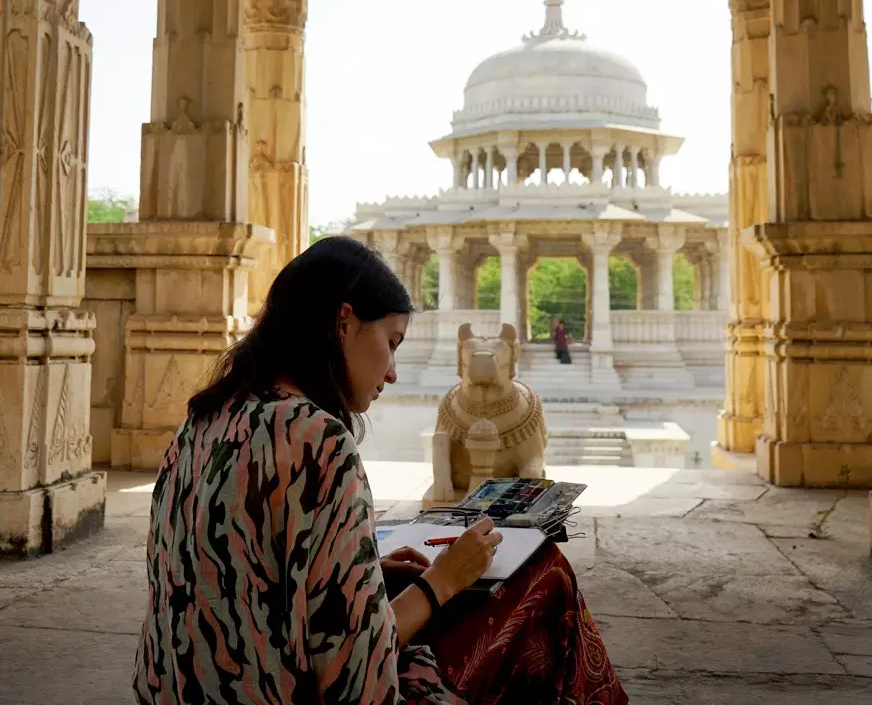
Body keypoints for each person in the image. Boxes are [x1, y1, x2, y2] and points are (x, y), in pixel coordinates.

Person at [134, 236, 627, 705]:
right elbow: (355, 681)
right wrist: (443, 581)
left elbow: (254, 576)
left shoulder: (204, 417)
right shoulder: (317, 439)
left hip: (175, 689)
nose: (392, 370)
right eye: (391, 342)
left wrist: (365, 574)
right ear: (343, 323)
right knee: (544, 580)